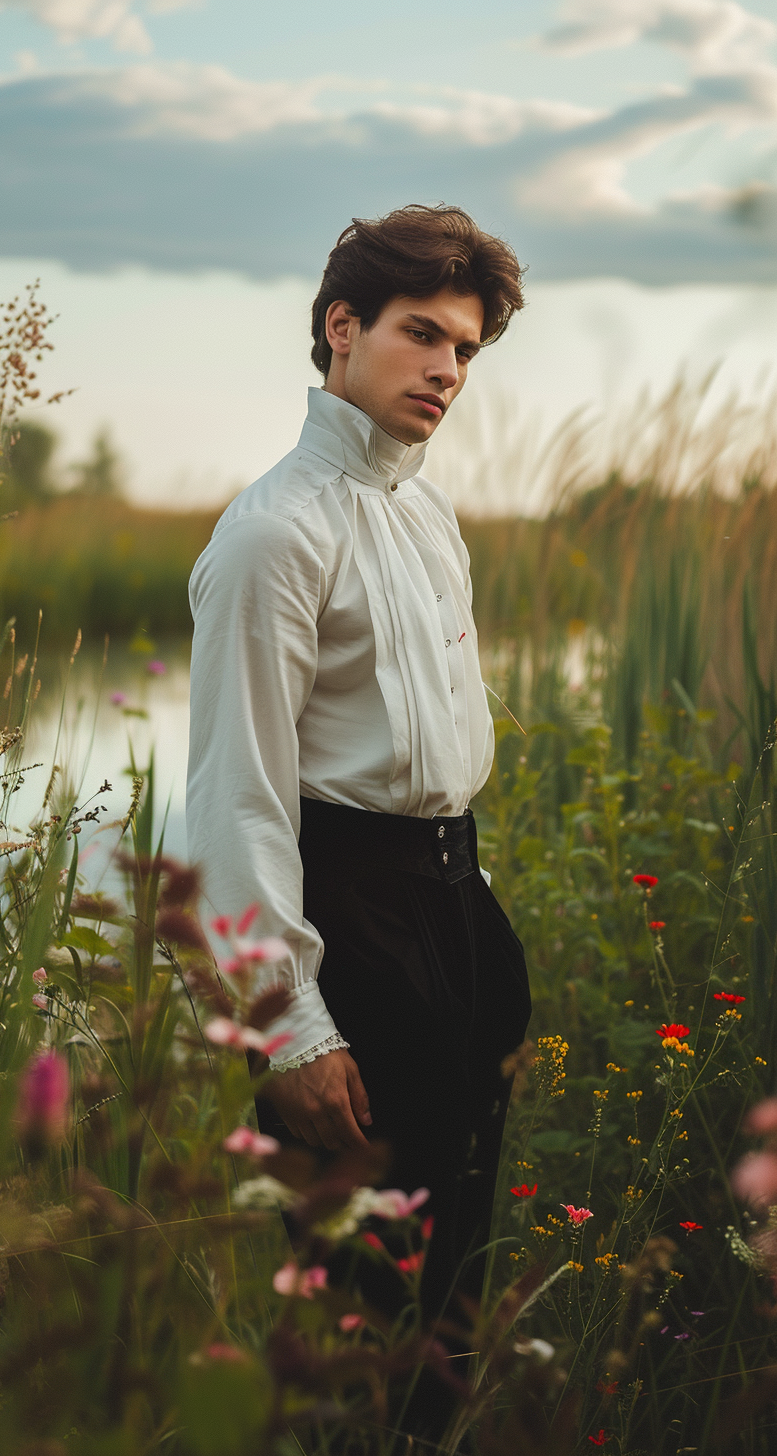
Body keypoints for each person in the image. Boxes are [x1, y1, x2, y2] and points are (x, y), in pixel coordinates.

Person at [187, 203, 532, 1327]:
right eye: (421, 334)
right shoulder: (271, 534)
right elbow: (236, 799)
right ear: (343, 325)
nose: (447, 370)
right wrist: (286, 1022)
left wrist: (490, 949)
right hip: (349, 927)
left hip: (453, 907)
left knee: (453, 1297)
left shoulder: (431, 517)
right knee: (362, 1310)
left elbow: (441, 770)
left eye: (465, 350)